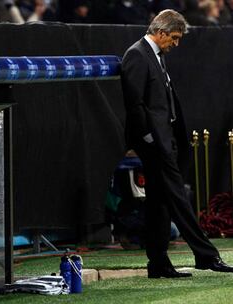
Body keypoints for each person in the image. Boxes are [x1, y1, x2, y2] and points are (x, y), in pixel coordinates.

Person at [121, 9, 233, 278]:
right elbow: (134, 103)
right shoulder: (137, 54)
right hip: (154, 144)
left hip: (164, 140)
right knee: (179, 200)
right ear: (160, 32)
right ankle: (206, 256)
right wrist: (148, 138)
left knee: (159, 203)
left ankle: (158, 263)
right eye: (173, 37)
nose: (176, 43)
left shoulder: (154, 54)